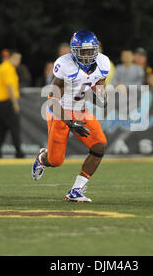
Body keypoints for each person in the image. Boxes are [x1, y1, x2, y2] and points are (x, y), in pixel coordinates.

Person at [31, 30, 110, 202]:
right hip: (60, 112)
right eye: (83, 51)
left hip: (81, 110)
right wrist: (70, 122)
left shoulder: (103, 62)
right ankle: (41, 158)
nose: (87, 55)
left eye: (91, 51)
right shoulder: (65, 65)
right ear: (74, 51)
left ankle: (76, 190)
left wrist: (101, 94)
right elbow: (52, 101)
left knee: (99, 146)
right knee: (55, 160)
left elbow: (100, 82)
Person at [0, 51, 25, 158]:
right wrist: (15, 103)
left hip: (0, 102)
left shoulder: (1, 67)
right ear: (12, 58)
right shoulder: (8, 68)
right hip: (7, 102)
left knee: (2, 130)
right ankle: (19, 153)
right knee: (14, 128)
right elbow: (10, 87)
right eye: (18, 59)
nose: (19, 61)